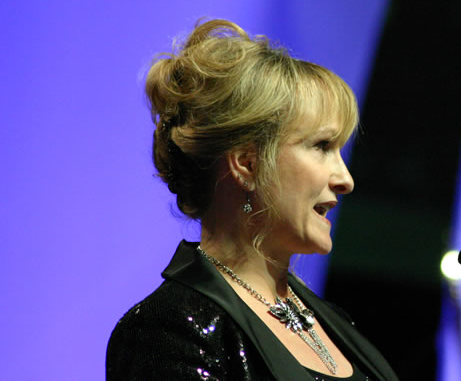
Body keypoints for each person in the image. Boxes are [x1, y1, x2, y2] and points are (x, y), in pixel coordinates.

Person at [106, 19, 398, 380]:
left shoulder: (335, 324)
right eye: (322, 146)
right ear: (247, 164)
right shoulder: (167, 331)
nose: (345, 180)